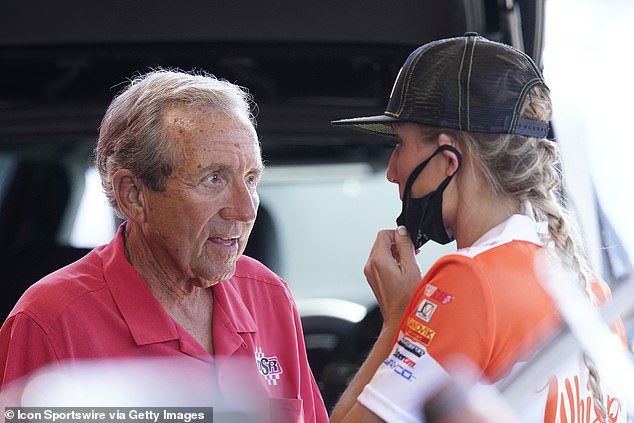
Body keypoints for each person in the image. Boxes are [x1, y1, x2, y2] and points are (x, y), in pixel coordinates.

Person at [329, 33, 628, 422]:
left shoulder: (468, 279)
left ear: (447, 157)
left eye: (399, 144)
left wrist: (397, 320)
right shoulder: (591, 288)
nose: (391, 172)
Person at [0, 69, 328, 422]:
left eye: (251, 179)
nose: (246, 210)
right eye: (213, 179)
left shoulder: (269, 296)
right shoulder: (50, 320)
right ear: (133, 195)